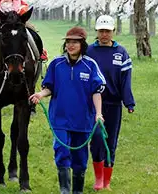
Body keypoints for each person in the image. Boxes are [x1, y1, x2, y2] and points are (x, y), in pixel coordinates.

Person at [29, 26, 105, 194]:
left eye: (75, 42)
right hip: (60, 118)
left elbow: (96, 91)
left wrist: (98, 114)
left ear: (82, 44)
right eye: (68, 42)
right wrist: (40, 94)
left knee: (80, 156)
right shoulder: (56, 64)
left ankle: (77, 191)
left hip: (83, 119)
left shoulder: (90, 65)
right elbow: (50, 87)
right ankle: (65, 190)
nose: (71, 45)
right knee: (61, 151)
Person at [87, 15, 135, 191]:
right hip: (93, 104)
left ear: (113, 31)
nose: (104, 34)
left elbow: (125, 80)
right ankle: (98, 178)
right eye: (101, 31)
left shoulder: (121, 52)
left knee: (111, 141)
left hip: (113, 104)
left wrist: (128, 102)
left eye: (107, 31)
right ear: (97, 32)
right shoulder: (89, 51)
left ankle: (107, 180)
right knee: (98, 138)